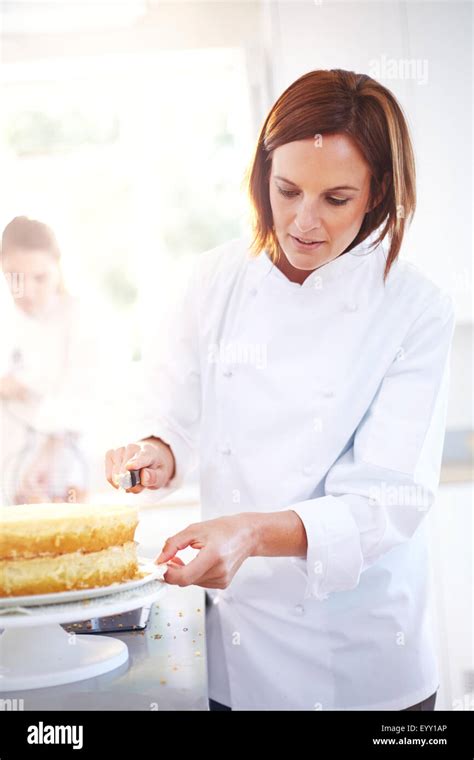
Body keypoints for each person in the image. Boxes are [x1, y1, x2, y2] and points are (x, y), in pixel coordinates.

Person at [105, 69, 455, 711]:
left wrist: (250, 534)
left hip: (365, 663)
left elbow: (385, 502)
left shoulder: (414, 310)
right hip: (243, 655)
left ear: (377, 193)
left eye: (336, 199)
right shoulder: (214, 280)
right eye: (287, 189)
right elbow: (175, 422)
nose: (303, 222)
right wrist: (155, 452)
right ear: (262, 173)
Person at [0, 216, 102, 504]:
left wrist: (47, 456)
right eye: (14, 276)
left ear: (58, 265)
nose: (27, 291)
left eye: (40, 277)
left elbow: (81, 399)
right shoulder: (6, 318)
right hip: (8, 469)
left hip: (62, 471)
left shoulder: (80, 317)